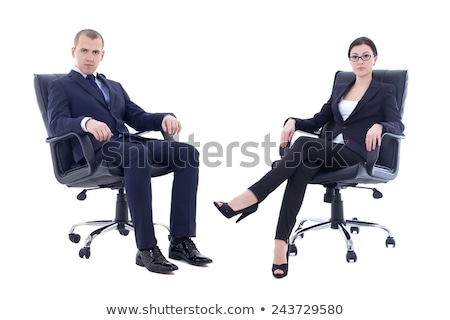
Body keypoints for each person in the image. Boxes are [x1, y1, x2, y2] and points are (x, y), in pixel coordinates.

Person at [214, 36, 404, 278]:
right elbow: (317, 121)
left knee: (303, 144)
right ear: (349, 60)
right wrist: (291, 121)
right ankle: (280, 245)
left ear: (375, 59)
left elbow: (398, 125)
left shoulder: (385, 90)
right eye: (355, 56)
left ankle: (250, 197)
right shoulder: (340, 88)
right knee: (299, 169)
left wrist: (380, 125)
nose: (360, 61)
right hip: (325, 152)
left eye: (366, 56)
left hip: (355, 154)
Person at [48, 29, 212, 274]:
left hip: (128, 143)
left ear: (102, 55)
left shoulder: (113, 86)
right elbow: (57, 123)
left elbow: (137, 117)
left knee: (187, 153)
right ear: (74, 52)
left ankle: (180, 240)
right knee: (137, 154)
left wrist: (163, 118)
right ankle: (146, 248)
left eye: (95, 52)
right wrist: (86, 123)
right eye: (84, 51)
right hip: (97, 150)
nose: (89, 57)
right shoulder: (61, 86)